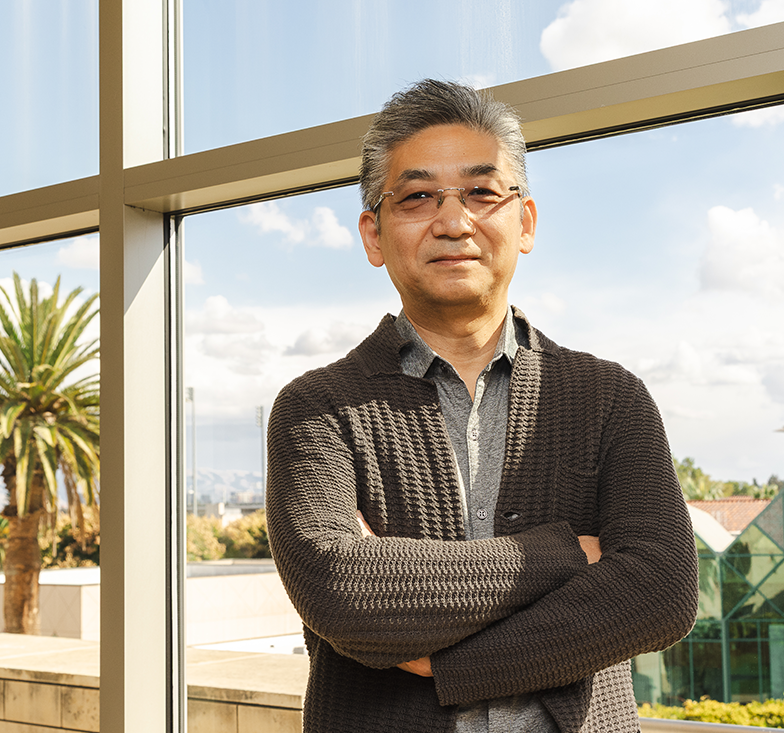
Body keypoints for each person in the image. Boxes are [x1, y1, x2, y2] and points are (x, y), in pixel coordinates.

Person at [265, 79, 698, 733]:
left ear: (524, 222)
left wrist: (449, 666)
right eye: (417, 197)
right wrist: (568, 555)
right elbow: (345, 591)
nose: (453, 222)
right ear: (374, 234)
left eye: (482, 193)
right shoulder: (316, 409)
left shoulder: (610, 397)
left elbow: (660, 591)